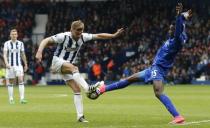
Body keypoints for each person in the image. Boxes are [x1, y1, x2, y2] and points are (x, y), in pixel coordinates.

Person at [91, 3, 192, 124]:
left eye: (172, 28)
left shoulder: (177, 40)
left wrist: (178, 16)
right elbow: (180, 27)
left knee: (158, 92)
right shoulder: (175, 38)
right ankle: (103, 89)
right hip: (153, 68)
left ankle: (177, 116)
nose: (170, 29)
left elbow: (178, 29)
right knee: (130, 79)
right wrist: (184, 15)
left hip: (158, 69)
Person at [35, 20, 124, 122]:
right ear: (71, 29)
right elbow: (45, 40)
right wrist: (39, 52)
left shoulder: (83, 36)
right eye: (77, 30)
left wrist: (113, 35)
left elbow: (98, 36)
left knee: (77, 90)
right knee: (75, 69)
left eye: (81, 30)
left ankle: (80, 116)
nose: (79, 33)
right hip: (57, 62)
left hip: (67, 65)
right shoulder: (64, 36)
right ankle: (88, 89)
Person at [3, 29, 28, 104]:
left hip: (18, 65)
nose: (14, 35)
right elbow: (5, 54)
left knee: (20, 79)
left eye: (15, 34)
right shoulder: (7, 43)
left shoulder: (20, 43)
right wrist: (6, 63)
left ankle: (22, 99)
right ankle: (11, 99)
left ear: (17, 35)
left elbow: (22, 54)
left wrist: (25, 64)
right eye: (12, 34)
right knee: (11, 82)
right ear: (10, 35)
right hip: (10, 65)